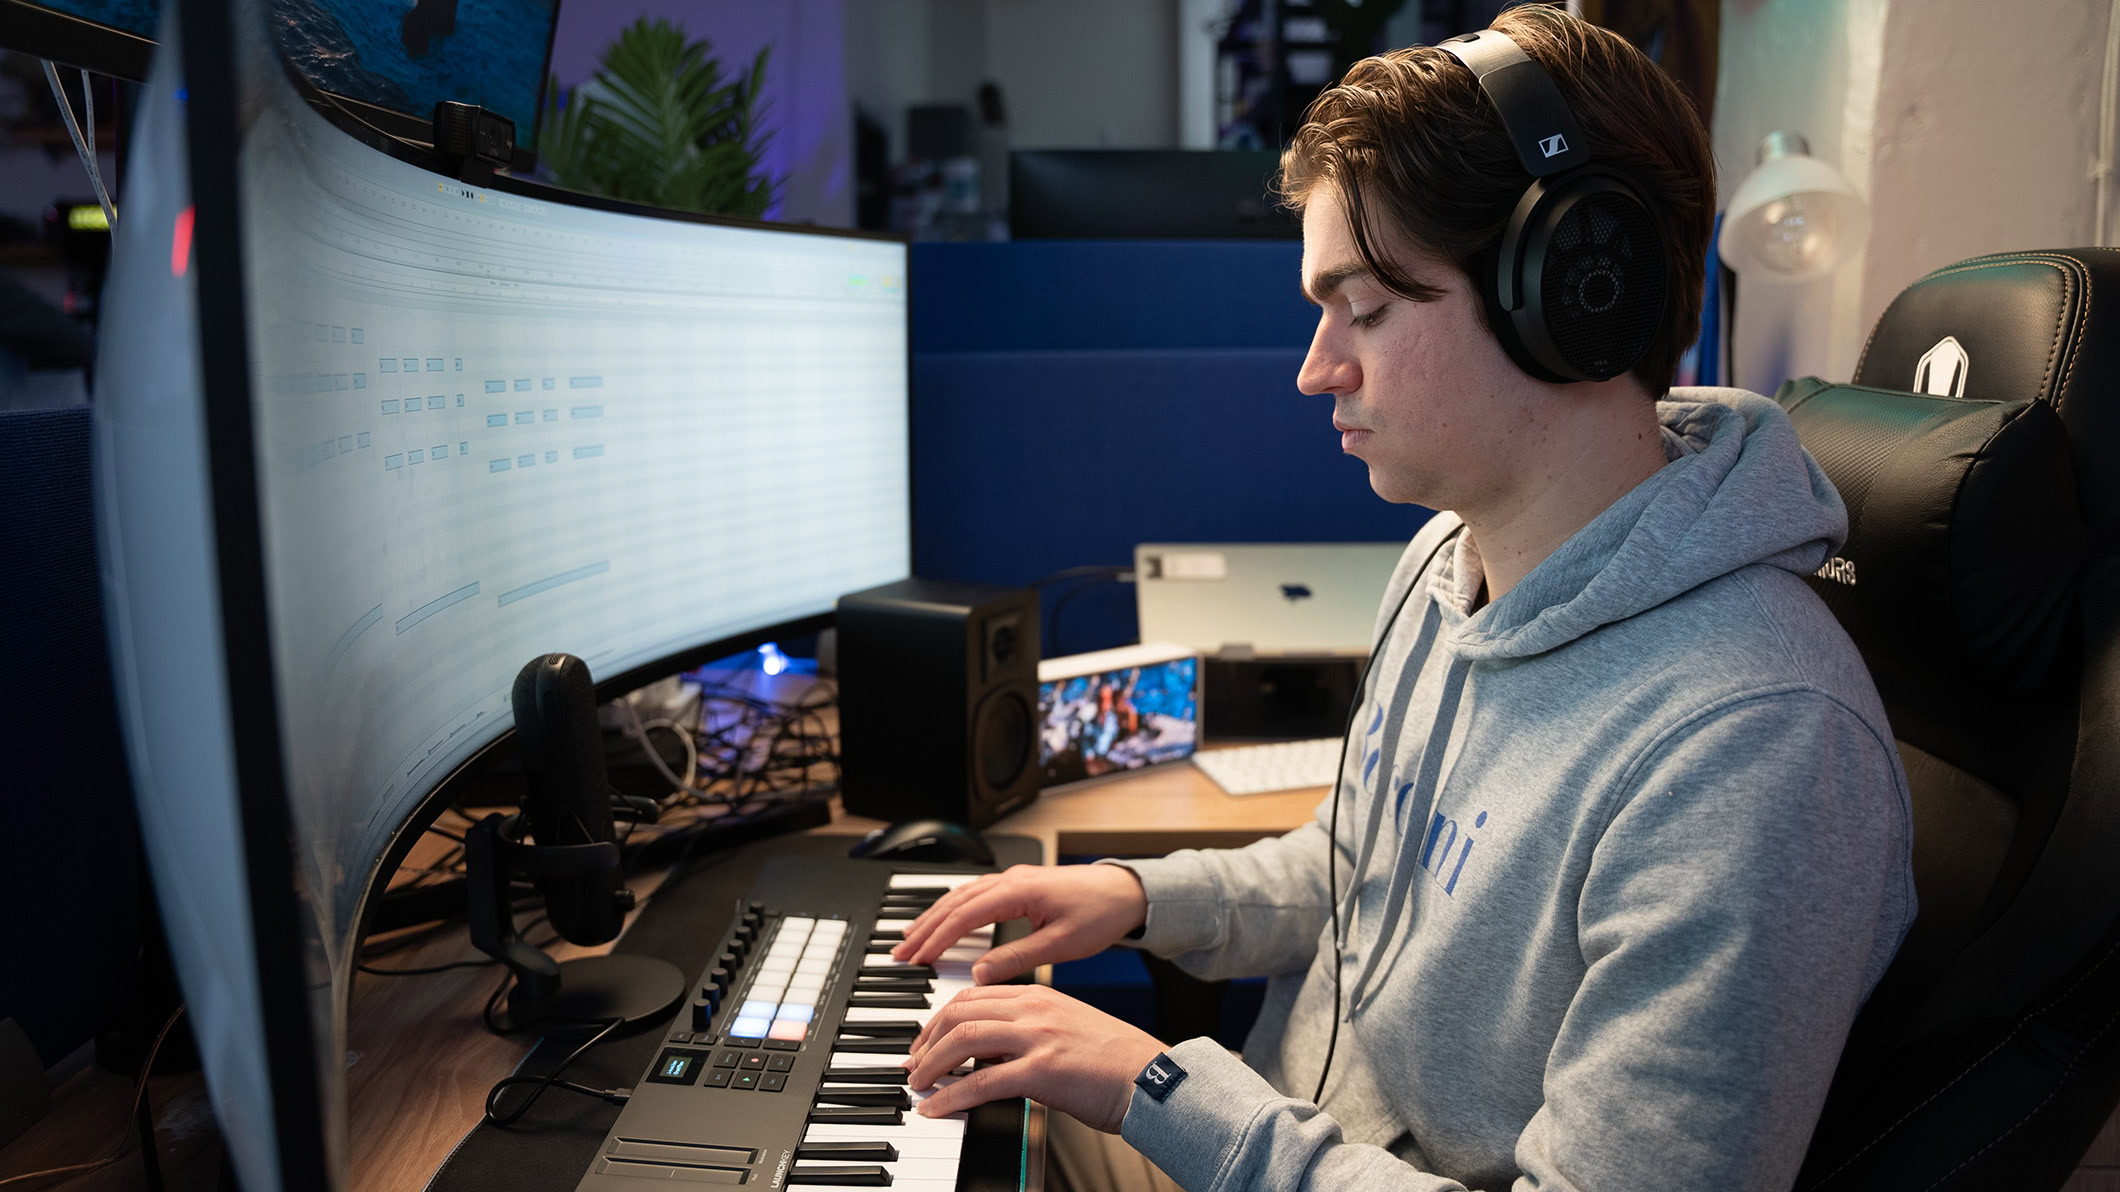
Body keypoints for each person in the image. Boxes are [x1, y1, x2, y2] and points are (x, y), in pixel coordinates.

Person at [890, 7, 1914, 1190]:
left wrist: (1153, 1088)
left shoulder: (1752, 747)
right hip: (1263, 1136)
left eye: (1366, 307)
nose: (1316, 366)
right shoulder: (1448, 559)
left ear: (1574, 293)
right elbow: (1363, 864)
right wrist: (1134, 895)